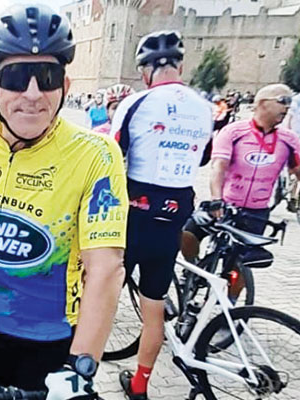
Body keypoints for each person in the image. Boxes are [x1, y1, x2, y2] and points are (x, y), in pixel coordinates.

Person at [0, 4, 128, 399]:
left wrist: (80, 367)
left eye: (47, 77)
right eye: (15, 77)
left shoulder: (96, 154)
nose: (32, 93)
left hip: (55, 342)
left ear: (65, 86)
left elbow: (106, 268)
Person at [109, 30, 212, 400]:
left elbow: (111, 155)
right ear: (180, 67)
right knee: (154, 310)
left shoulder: (137, 102)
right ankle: (140, 386)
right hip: (173, 220)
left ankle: (79, 379)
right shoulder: (204, 107)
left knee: (98, 302)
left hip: (132, 218)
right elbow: (203, 157)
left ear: (144, 71)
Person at [181, 84, 300, 261]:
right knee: (187, 235)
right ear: (262, 103)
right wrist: (216, 199)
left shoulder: (289, 139)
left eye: (290, 102)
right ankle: (192, 269)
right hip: (225, 204)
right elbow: (218, 167)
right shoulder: (234, 131)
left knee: (240, 263)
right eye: (283, 100)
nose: (287, 106)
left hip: (256, 211)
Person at [283, 91, 300, 211]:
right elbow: (289, 115)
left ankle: (293, 197)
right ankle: (291, 194)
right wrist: (288, 133)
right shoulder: (297, 99)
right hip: (295, 138)